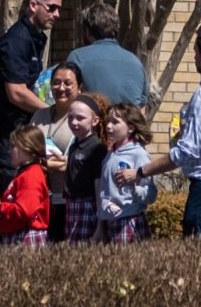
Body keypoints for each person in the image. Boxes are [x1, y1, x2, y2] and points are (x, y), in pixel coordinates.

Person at [116, 21, 201, 236]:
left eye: (196, 51)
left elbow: (186, 152)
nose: (195, 57)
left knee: (197, 260)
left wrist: (141, 172)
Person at [0, 0, 62, 195]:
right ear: (33, 5)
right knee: (11, 193)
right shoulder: (18, 39)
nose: (57, 14)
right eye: (51, 8)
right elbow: (16, 92)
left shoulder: (35, 38)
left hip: (20, 131)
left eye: (59, 9)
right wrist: (52, 113)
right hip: (4, 136)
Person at [29, 62, 82, 242]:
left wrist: (66, 163)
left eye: (68, 83)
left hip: (70, 200)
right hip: (40, 200)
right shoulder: (39, 116)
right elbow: (26, 151)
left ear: (79, 88)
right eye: (56, 83)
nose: (61, 88)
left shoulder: (83, 119)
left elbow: (88, 157)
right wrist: (42, 164)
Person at [66, 3, 148, 108]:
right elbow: (142, 109)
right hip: (127, 123)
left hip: (93, 122)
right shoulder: (135, 61)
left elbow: (67, 98)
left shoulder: (77, 57)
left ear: (87, 31)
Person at [98, 104, 157, 244]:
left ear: (130, 128)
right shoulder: (110, 153)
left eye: (115, 122)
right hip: (109, 221)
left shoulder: (138, 154)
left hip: (129, 220)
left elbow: (151, 193)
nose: (108, 126)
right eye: (108, 121)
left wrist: (135, 187)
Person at [0, 125, 50, 247]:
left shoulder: (31, 175)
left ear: (28, 148)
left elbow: (26, 211)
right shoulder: (24, 173)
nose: (9, 151)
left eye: (14, 146)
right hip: (19, 234)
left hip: (25, 236)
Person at [64, 93, 109, 244]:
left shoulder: (97, 148)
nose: (74, 122)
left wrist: (100, 225)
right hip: (72, 205)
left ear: (95, 120)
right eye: (70, 117)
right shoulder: (75, 145)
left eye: (80, 118)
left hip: (88, 206)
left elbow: (99, 186)